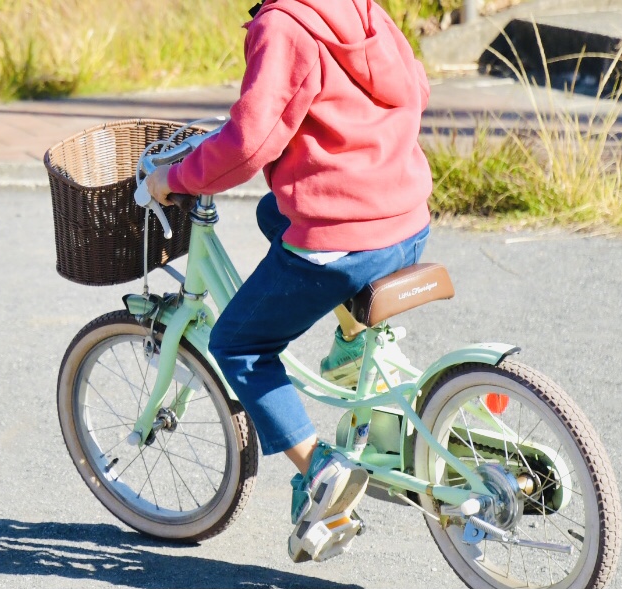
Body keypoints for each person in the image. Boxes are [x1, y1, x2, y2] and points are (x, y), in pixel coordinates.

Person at [146, 0, 432, 562]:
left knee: (238, 344)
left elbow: (250, 144)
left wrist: (176, 177)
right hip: (406, 218)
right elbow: (416, 87)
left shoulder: (281, 26)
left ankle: (322, 470)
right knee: (273, 214)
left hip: (343, 244)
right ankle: (353, 338)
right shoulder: (359, 8)